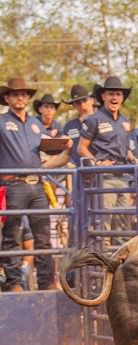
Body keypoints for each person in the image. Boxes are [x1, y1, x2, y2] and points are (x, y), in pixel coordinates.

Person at [0, 77, 71, 292]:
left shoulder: (35, 123)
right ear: (7, 98)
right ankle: (13, 283)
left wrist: (66, 147)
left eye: (24, 94)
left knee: (43, 237)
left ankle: (47, 282)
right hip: (12, 184)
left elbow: (51, 149)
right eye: (15, 94)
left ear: (28, 98)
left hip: (37, 183)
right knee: (12, 234)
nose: (20, 97)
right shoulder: (2, 122)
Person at [77, 75, 137, 240]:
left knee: (124, 223)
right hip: (105, 177)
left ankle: (121, 263)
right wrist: (97, 163)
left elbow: (125, 149)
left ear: (122, 97)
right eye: (111, 94)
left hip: (124, 176)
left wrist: (132, 157)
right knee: (104, 222)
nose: (115, 97)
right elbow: (81, 148)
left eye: (118, 94)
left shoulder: (125, 121)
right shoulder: (94, 120)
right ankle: (102, 262)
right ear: (103, 96)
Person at [62, 84, 95, 167]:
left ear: (92, 100)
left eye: (84, 100)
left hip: (100, 172)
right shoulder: (69, 126)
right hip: (77, 174)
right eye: (78, 103)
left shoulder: (102, 121)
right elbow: (66, 154)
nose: (82, 105)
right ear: (74, 105)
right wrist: (44, 167)